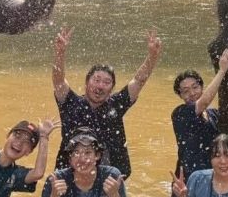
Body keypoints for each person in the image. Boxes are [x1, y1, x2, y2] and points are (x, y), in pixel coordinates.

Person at [142, 47, 228, 197]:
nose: (192, 92)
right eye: (185, 91)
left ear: (202, 86)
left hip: (212, 182)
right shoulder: (180, 113)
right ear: (181, 96)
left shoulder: (214, 116)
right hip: (186, 182)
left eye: (195, 87)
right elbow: (201, 103)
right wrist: (222, 71)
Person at [51, 26, 163, 178]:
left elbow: (139, 80)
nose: (100, 86)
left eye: (106, 82)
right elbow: (58, 80)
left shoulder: (116, 104)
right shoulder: (71, 103)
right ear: (86, 83)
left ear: (111, 88)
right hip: (70, 177)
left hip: (111, 177)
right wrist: (60, 52)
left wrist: (152, 57)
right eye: (96, 80)